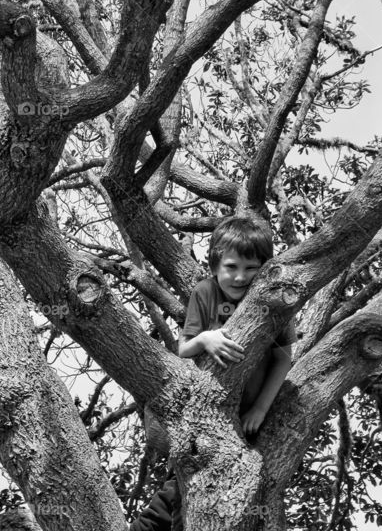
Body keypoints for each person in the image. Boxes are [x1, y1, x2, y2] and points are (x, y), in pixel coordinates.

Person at [131, 216, 296, 531]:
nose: (240, 277)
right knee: (178, 494)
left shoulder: (277, 301)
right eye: (231, 267)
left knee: (222, 494)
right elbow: (183, 348)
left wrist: (261, 408)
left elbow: (284, 358)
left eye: (251, 269)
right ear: (215, 265)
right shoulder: (205, 292)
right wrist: (206, 338)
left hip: (250, 423)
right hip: (207, 414)